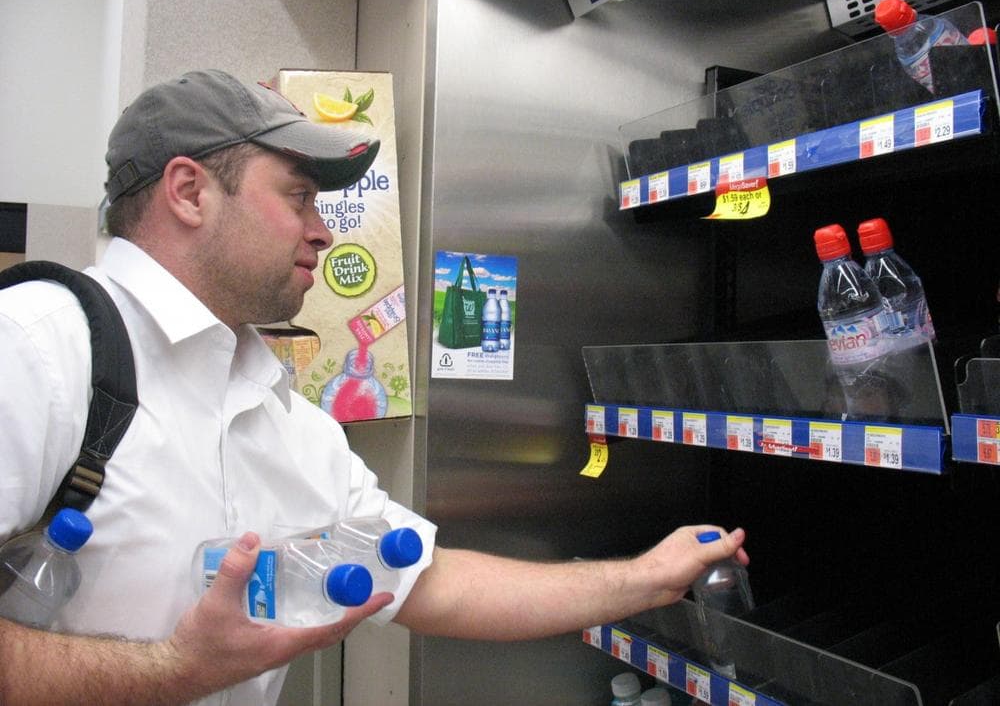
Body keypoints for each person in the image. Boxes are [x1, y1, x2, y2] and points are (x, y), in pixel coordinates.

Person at [0, 69, 748, 705]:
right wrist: (173, 672)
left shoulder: (277, 413)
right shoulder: (36, 344)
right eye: (298, 196)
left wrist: (648, 579)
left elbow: (433, 583)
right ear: (191, 192)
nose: (324, 231)